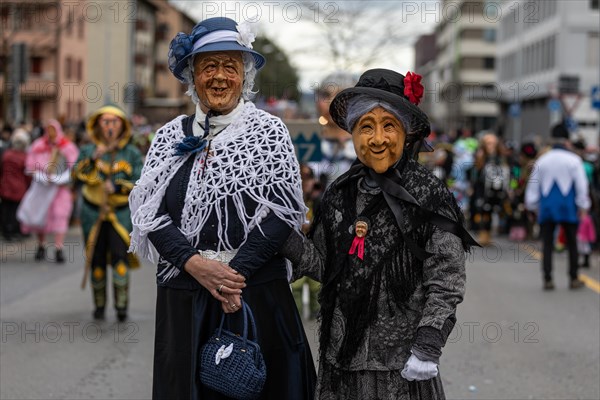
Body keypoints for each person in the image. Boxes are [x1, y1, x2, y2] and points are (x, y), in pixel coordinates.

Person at [128, 17, 316, 399]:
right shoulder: (167, 137)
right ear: (192, 76)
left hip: (254, 291)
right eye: (208, 66)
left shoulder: (269, 131)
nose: (219, 77)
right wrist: (196, 265)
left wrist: (230, 276)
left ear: (244, 76)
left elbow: (281, 212)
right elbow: (149, 213)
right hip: (185, 292)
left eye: (230, 66)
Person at [281, 69, 477, 399]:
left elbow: (446, 278)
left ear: (407, 133)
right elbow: (325, 267)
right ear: (353, 133)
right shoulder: (338, 194)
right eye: (366, 127)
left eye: (389, 126)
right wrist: (282, 236)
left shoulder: (428, 196)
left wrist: (427, 347)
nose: (377, 138)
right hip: (343, 361)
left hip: (402, 367)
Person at [72, 105, 143, 321]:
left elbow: (141, 182)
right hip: (93, 214)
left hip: (120, 215)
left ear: (122, 125)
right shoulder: (88, 150)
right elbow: (76, 175)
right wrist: (94, 158)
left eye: (115, 122)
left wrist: (119, 187)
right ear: (97, 125)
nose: (110, 126)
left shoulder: (130, 153)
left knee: (120, 259)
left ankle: (121, 306)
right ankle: (99, 306)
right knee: (97, 260)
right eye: (105, 121)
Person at [525, 122, 590, 290]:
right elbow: (581, 186)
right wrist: (583, 206)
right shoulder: (574, 160)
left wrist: (532, 206)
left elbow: (533, 186)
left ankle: (548, 278)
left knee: (547, 243)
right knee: (572, 243)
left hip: (546, 206)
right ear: (566, 140)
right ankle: (573, 278)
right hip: (567, 206)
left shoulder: (542, 160)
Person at [21, 120, 79, 262]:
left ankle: (59, 248)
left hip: (60, 189)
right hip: (42, 188)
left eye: (54, 129)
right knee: (41, 216)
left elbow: (74, 167)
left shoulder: (67, 147)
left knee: (60, 215)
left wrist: (63, 179)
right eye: (49, 129)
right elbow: (30, 165)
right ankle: (41, 245)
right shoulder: (38, 145)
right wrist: (40, 176)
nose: (51, 133)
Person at [0, 129, 31, 240]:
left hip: (5, 186)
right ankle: (13, 230)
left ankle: (6, 230)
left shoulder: (6, 154)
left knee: (5, 209)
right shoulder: (24, 157)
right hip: (18, 187)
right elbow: (27, 174)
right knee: (15, 210)